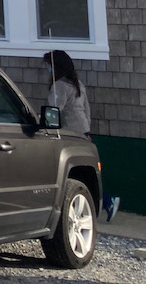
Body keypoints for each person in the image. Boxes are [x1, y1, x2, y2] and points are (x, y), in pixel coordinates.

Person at [43, 49, 119, 221]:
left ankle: (106, 201)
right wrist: (86, 131)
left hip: (69, 133)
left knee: (73, 172)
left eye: (49, 66)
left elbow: (54, 110)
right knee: (84, 169)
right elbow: (87, 110)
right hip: (82, 131)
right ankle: (107, 201)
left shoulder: (60, 86)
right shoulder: (78, 84)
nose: (47, 70)